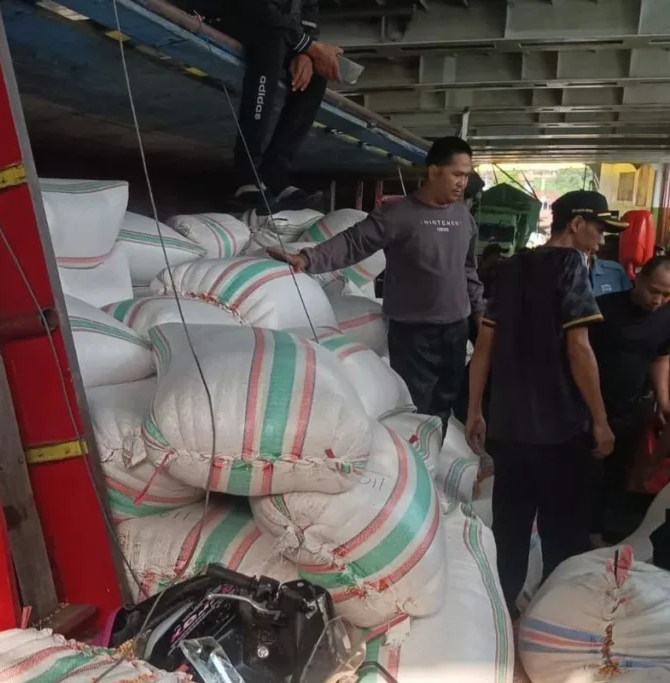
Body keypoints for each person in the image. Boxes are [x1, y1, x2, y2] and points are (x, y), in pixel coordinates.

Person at [465, 189, 622, 617]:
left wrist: (476, 409)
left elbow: (484, 345)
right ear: (575, 223)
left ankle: (498, 619)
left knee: (510, 531)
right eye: (599, 228)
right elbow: (580, 349)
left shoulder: (513, 265)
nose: (602, 240)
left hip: (509, 428)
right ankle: (554, 623)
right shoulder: (570, 266)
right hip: (558, 430)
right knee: (563, 533)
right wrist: (601, 419)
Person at [269, 136, 483, 428]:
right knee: (416, 405)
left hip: (456, 327)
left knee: (446, 400)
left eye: (466, 175)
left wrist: (480, 314)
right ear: (433, 171)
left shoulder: (464, 218)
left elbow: (469, 271)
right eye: (457, 174)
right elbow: (355, 242)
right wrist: (308, 259)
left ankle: (435, 455)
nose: (462, 182)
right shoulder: (398, 215)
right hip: (413, 330)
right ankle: (417, 458)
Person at [187, 0, 343, 212]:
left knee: (315, 73)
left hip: (279, 30)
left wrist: (305, 53)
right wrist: (308, 46)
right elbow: (257, 8)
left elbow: (309, 9)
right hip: (230, 17)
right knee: (273, 43)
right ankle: (246, 175)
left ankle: (274, 174)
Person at [588, 255, 670, 545]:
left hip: (632, 408)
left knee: (618, 474)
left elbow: (661, 357)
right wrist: (596, 414)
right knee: (588, 473)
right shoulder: (605, 309)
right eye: (654, 290)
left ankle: (606, 537)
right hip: (591, 407)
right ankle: (585, 533)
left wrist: (663, 400)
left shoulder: (666, 316)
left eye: (666, 294)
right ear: (639, 278)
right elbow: (581, 359)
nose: (658, 300)